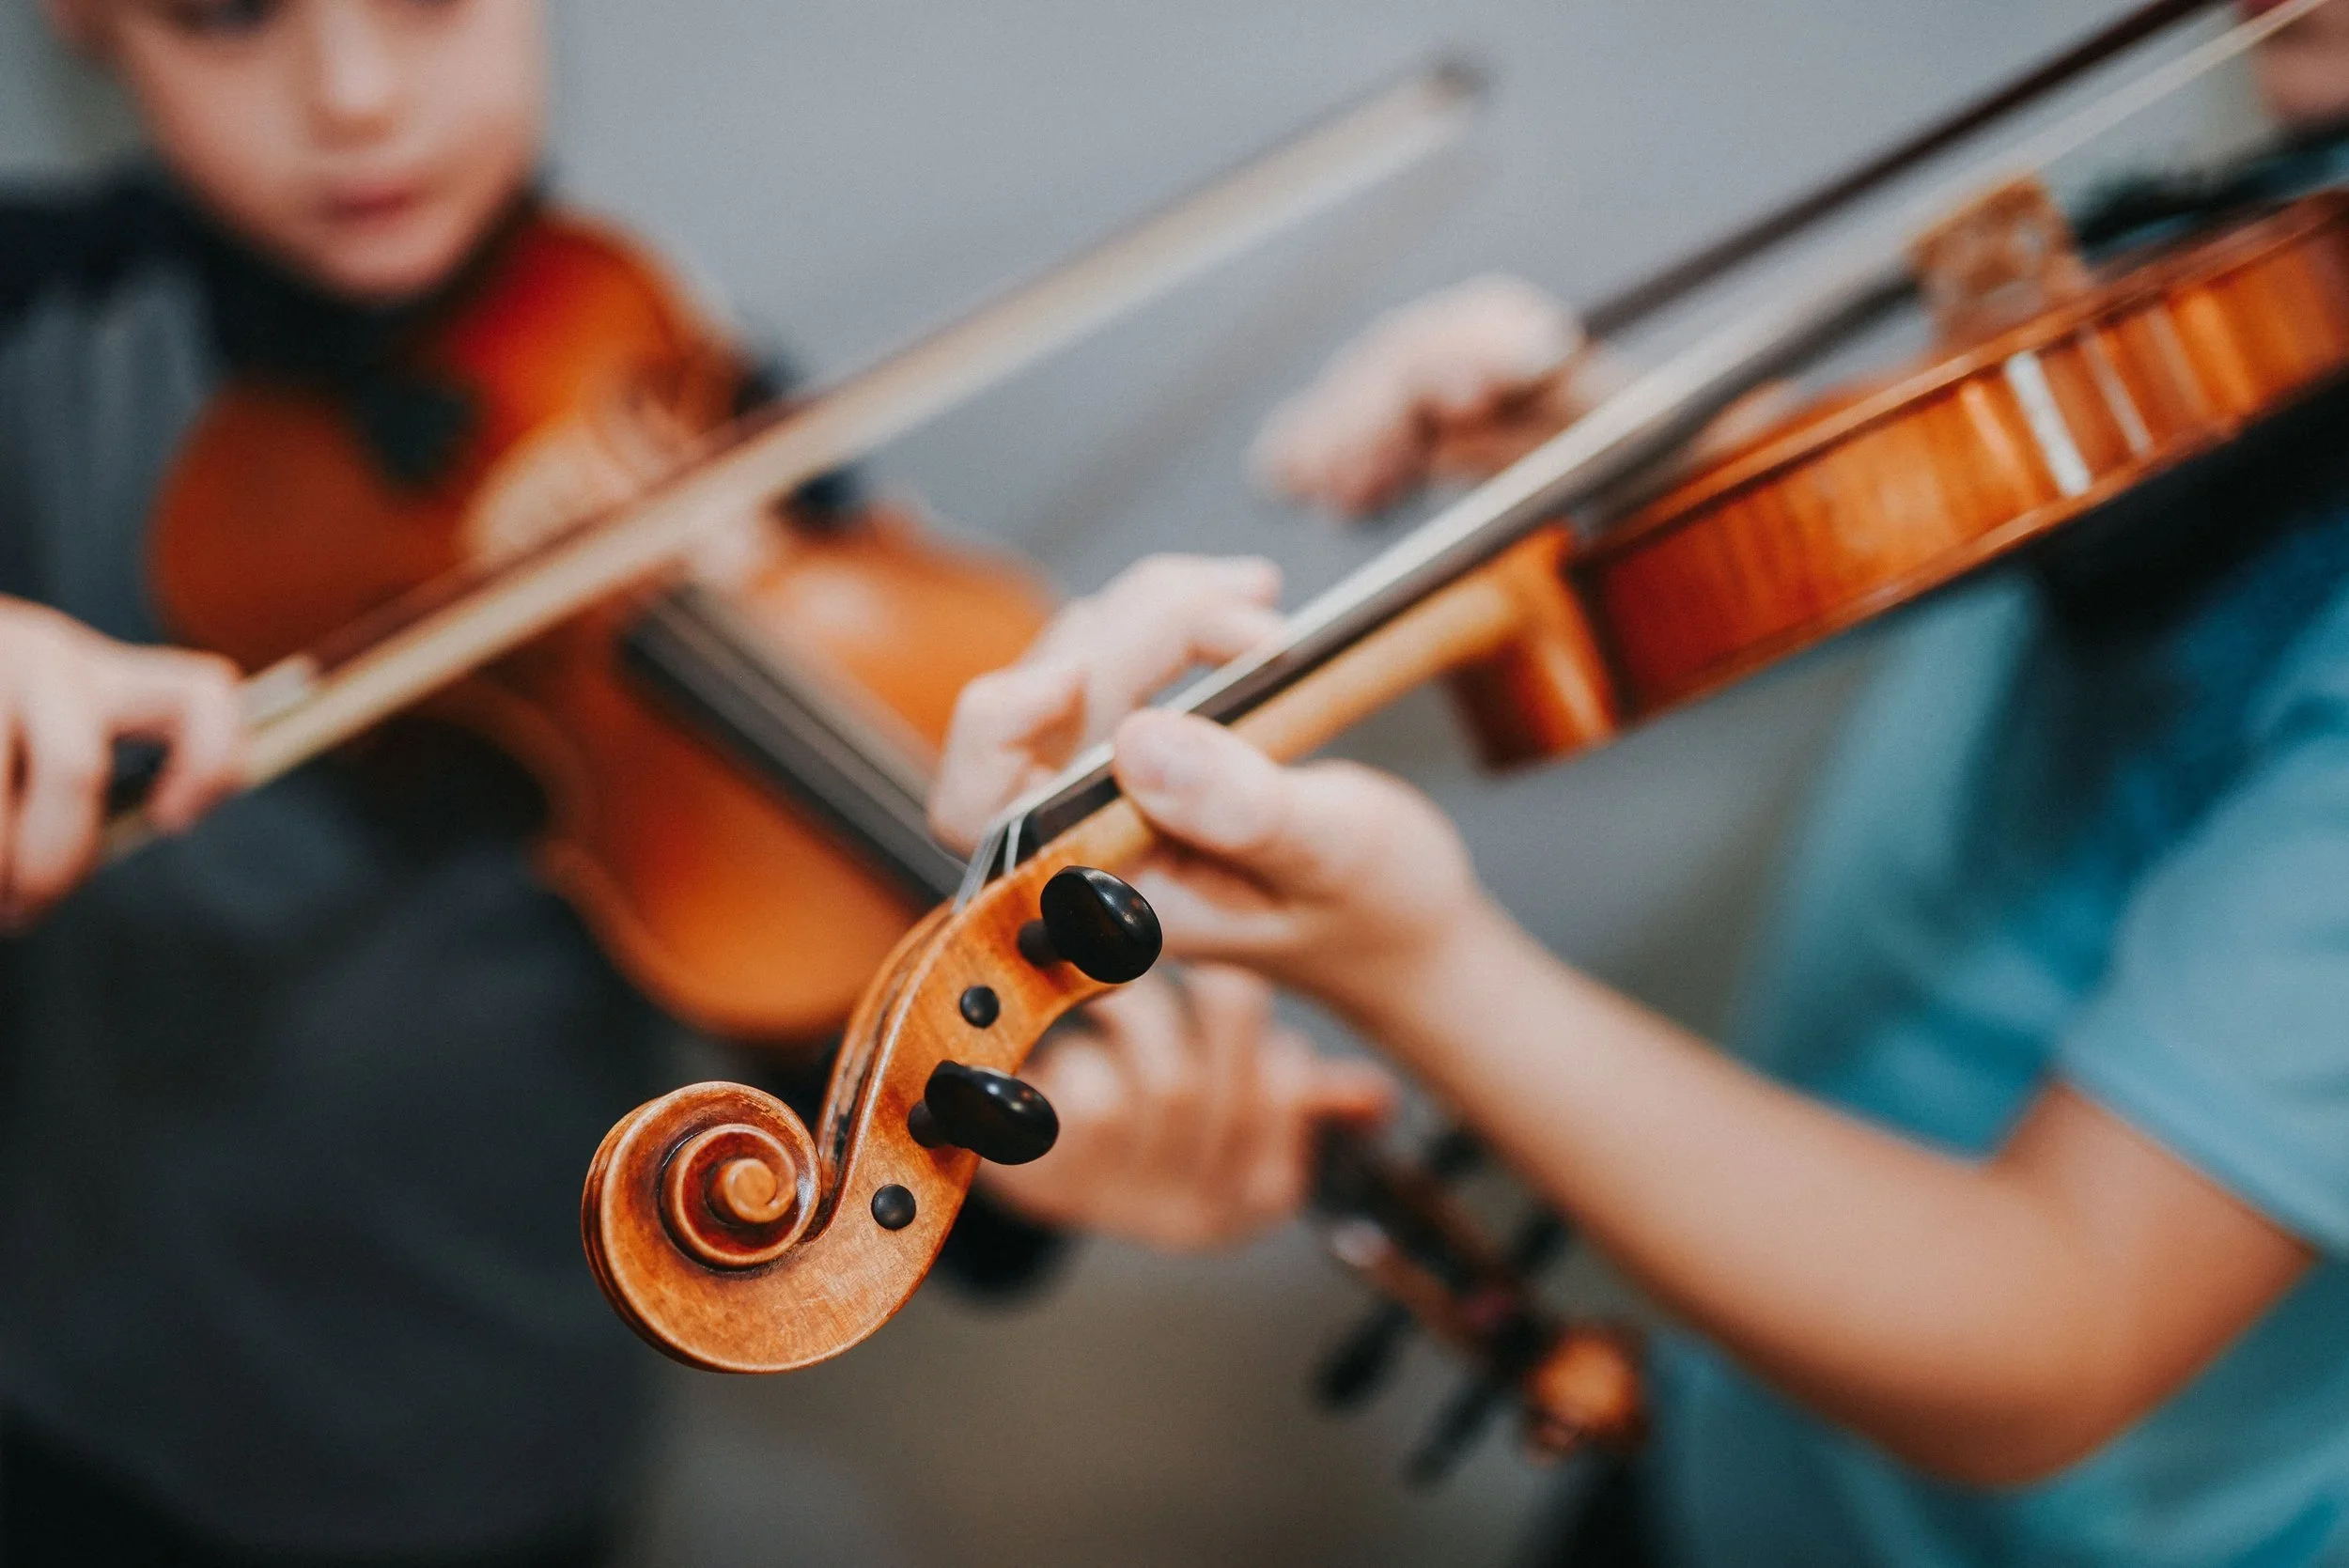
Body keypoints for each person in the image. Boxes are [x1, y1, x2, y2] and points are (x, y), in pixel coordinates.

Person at [929, 10, 2349, 1564]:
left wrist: (1424, 971)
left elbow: (2061, 1325)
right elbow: (1977, 502)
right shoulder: (2293, 241)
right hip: (1728, 1425)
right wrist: (1639, 449)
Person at [0, 1, 1391, 1562]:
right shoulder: (42, 326)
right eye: (228, 15)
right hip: (79, 1403)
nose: (356, 95)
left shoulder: (690, 391)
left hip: (514, 1423)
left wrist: (1015, 1142)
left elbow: (815, 988)